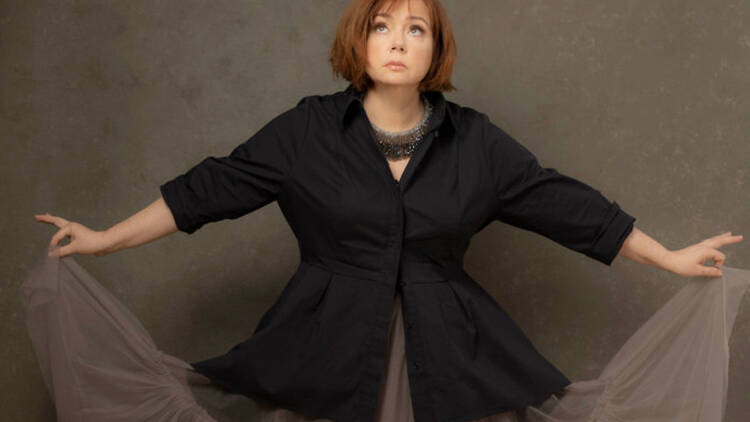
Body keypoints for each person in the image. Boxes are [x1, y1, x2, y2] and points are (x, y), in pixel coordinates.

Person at [30, 0, 745, 421]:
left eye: (416, 28)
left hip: (453, 354)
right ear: (359, 39)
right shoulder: (307, 130)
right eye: (382, 25)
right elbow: (208, 190)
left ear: (436, 48)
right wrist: (104, 241)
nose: (398, 42)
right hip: (324, 343)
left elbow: (568, 206)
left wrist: (670, 256)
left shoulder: (478, 142)